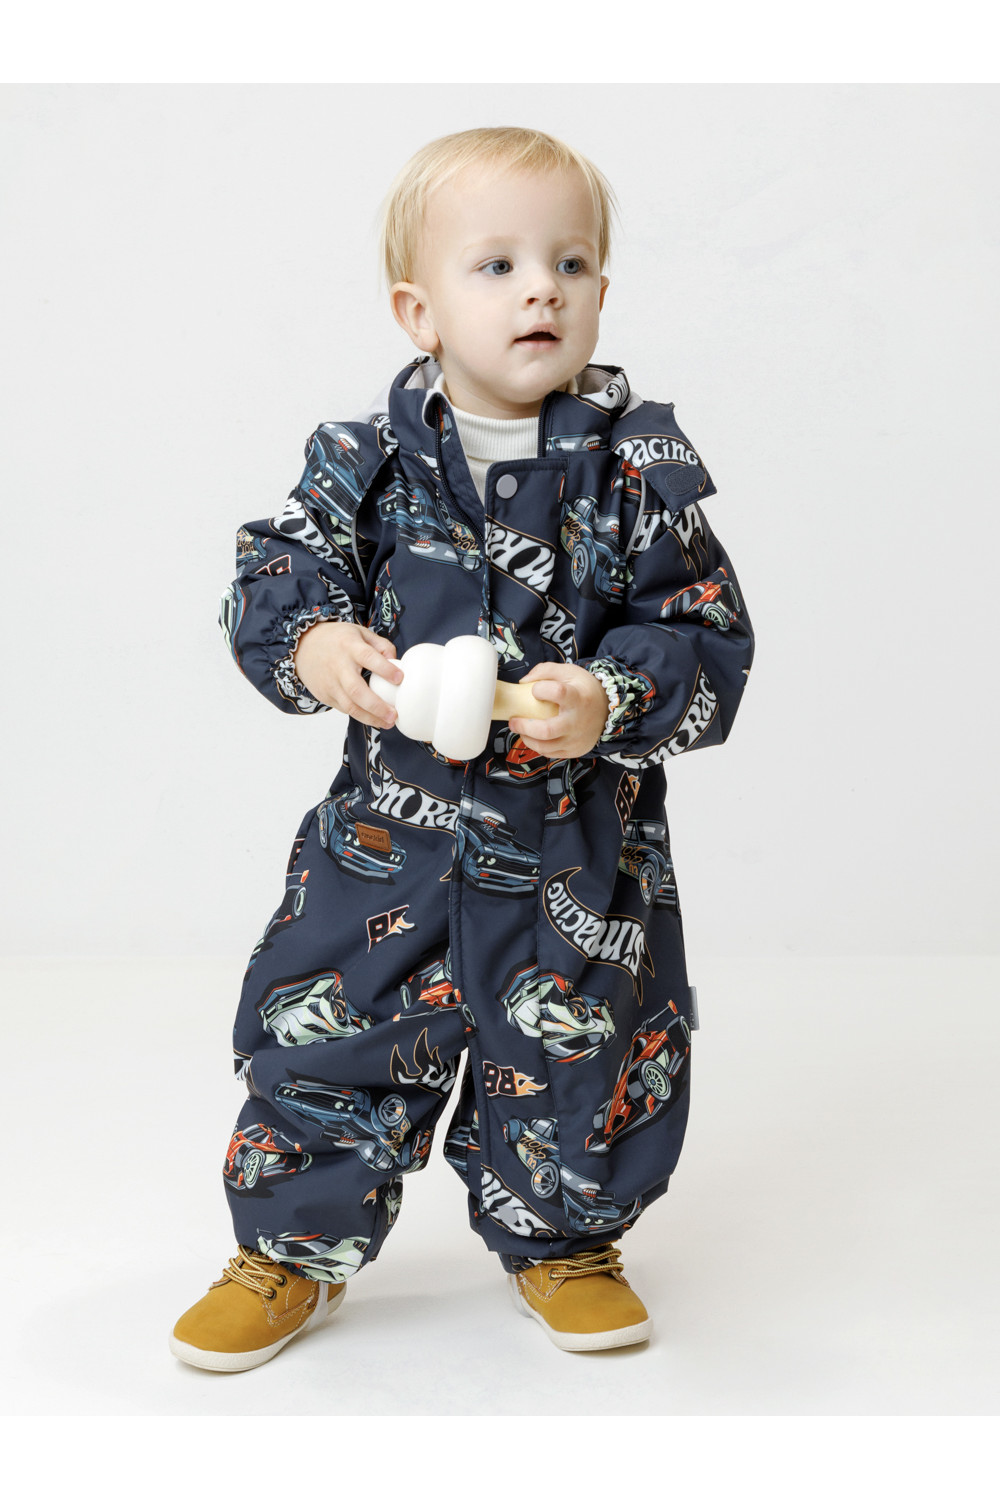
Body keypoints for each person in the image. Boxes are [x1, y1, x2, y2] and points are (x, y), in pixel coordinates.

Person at [170, 126, 754, 1371]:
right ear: (418, 311)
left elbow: (706, 638)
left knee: (581, 1044)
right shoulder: (364, 464)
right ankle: (290, 1249)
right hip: (388, 845)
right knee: (327, 1036)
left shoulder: (636, 476)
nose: (542, 289)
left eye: (570, 263)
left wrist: (605, 695)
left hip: (573, 856)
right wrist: (315, 640)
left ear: (600, 291)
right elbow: (273, 576)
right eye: (497, 266)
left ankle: (567, 1239)